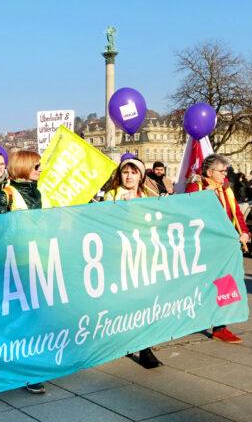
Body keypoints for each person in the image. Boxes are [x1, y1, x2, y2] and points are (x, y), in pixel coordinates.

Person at [0, 150, 46, 392]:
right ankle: (22, 370)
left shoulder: (38, 192)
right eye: (36, 166)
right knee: (18, 320)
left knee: (34, 317)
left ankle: (31, 366)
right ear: (24, 168)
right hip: (14, 265)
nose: (40, 170)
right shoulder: (6, 194)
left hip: (36, 261)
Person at [103, 157, 164, 369]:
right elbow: (104, 224)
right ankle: (120, 341)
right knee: (125, 303)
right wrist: (122, 207)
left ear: (141, 176)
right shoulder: (112, 195)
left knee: (146, 302)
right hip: (121, 257)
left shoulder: (148, 195)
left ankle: (145, 348)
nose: (128, 177)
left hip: (145, 256)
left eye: (133, 172)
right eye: (125, 172)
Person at [186, 154, 248, 344]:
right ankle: (191, 317)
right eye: (222, 171)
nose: (225, 175)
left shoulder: (226, 189)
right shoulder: (197, 187)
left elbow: (236, 211)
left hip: (226, 245)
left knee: (226, 284)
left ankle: (221, 327)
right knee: (202, 285)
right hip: (205, 245)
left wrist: (244, 231)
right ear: (209, 172)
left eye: (226, 171)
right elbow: (190, 214)